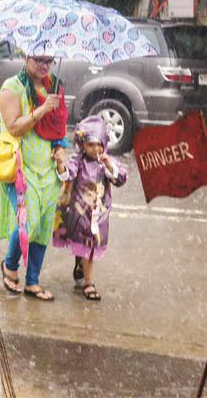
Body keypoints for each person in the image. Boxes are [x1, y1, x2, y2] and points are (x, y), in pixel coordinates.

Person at [0, 55, 63, 301]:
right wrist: (43, 109)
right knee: (28, 221)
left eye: (49, 61)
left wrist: (60, 146)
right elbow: (14, 127)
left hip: (48, 168)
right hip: (21, 169)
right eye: (39, 60)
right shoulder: (11, 87)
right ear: (26, 57)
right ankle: (9, 264)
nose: (44, 66)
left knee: (44, 226)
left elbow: (59, 124)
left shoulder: (53, 85)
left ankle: (33, 281)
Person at [52, 116, 127, 301]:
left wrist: (110, 166)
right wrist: (61, 163)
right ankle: (89, 283)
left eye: (99, 144)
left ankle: (81, 263)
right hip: (80, 214)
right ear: (82, 145)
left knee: (89, 247)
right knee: (88, 246)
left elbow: (121, 179)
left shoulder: (106, 162)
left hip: (99, 216)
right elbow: (67, 175)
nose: (96, 149)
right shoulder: (78, 161)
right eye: (91, 144)